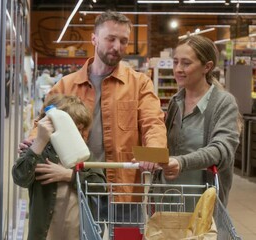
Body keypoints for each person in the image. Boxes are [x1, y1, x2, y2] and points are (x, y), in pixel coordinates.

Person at [22, 10, 166, 202]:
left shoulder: (140, 83)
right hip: (77, 185)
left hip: (124, 189)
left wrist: (153, 154)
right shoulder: (66, 86)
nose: (117, 46)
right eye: (110, 39)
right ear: (94, 39)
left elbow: (153, 123)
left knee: (126, 233)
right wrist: (32, 141)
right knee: (80, 233)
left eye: (123, 41)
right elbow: (42, 124)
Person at [159, 35, 241, 206]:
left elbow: (221, 150)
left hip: (203, 205)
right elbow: (168, 148)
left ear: (207, 67)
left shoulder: (223, 103)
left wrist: (182, 162)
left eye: (186, 63)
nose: (178, 69)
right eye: (175, 62)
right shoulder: (176, 102)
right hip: (169, 201)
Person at [12, 95, 106, 240]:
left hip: (79, 234)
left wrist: (69, 175)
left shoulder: (84, 154)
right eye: (74, 129)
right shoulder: (40, 151)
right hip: (44, 234)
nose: (79, 135)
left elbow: (100, 186)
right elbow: (20, 178)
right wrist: (39, 141)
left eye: (81, 130)